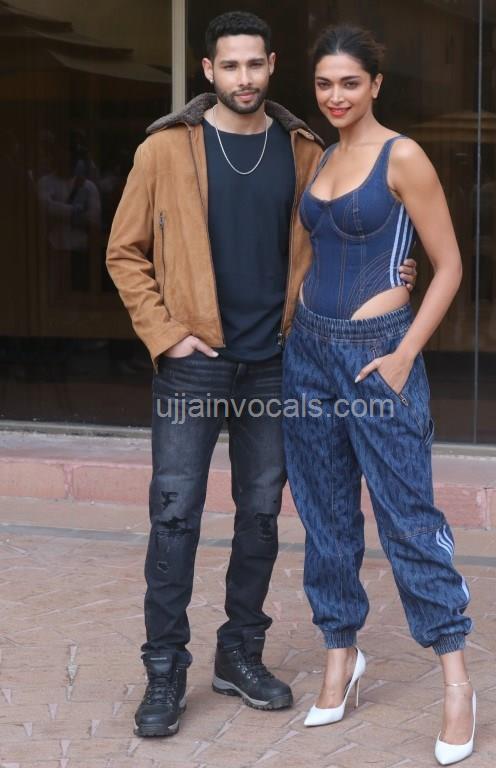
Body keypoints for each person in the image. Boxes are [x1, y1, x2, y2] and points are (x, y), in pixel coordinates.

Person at [107, 9, 420, 738]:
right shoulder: (165, 149)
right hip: (194, 368)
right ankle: (164, 669)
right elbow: (124, 251)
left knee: (259, 515)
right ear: (208, 71)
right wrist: (166, 334)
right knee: (175, 516)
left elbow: (347, 229)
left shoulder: (304, 148)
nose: (243, 78)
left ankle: (239, 654)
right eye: (230, 66)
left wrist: (396, 270)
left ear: (272, 66)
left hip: (278, 363)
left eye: (255, 64)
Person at [282, 26, 475, 766]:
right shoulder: (322, 157)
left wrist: (404, 354)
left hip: (377, 357)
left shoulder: (404, 156)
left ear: (376, 85)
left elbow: (448, 264)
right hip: (309, 355)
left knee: (407, 518)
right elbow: (317, 252)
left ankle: (456, 681)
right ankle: (341, 655)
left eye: (350, 83)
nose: (335, 96)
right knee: (324, 514)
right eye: (324, 83)